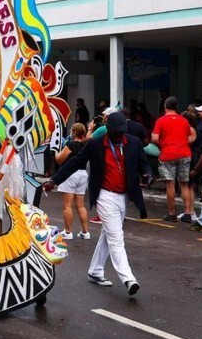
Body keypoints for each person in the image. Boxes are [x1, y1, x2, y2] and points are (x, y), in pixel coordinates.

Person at [44, 112, 151, 295]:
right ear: (108, 130)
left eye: (121, 133)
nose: (118, 137)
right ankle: (128, 279)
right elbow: (75, 162)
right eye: (115, 133)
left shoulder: (133, 143)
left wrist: (148, 174)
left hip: (124, 197)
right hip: (105, 195)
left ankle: (95, 270)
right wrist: (54, 180)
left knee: (108, 234)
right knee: (116, 237)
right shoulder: (95, 144)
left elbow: (144, 164)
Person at [151, 96, 196, 222]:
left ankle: (172, 213)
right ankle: (188, 213)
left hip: (168, 154)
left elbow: (155, 138)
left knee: (170, 184)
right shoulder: (184, 121)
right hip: (184, 153)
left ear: (165, 106)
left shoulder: (161, 120)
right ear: (177, 107)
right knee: (184, 184)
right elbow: (189, 138)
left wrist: (162, 145)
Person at [54, 123, 91, 240]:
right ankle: (85, 232)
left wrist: (56, 152)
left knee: (67, 205)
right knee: (80, 205)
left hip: (70, 174)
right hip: (82, 174)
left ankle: (68, 232)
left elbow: (60, 159)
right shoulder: (85, 146)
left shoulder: (70, 145)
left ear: (74, 132)